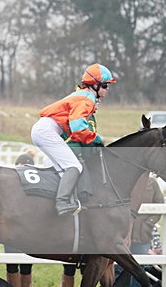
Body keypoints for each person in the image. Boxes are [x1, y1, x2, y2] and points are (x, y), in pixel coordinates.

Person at [31, 63, 116, 215]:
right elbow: (78, 128)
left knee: (59, 167)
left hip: (45, 130)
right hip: (47, 130)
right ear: (95, 85)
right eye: (104, 85)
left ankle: (52, 200)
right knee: (74, 167)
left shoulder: (84, 95)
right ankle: (62, 203)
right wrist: (97, 139)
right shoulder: (87, 99)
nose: (106, 89)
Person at [112, 173, 164, 287]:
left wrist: (149, 223)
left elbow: (160, 204)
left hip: (142, 233)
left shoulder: (152, 183)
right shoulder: (122, 180)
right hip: (122, 231)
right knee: (119, 265)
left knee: (140, 266)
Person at [5, 151, 37, 287]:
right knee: (11, 265)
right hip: (11, 230)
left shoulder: (36, 188)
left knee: (26, 266)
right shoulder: (8, 185)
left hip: (28, 231)